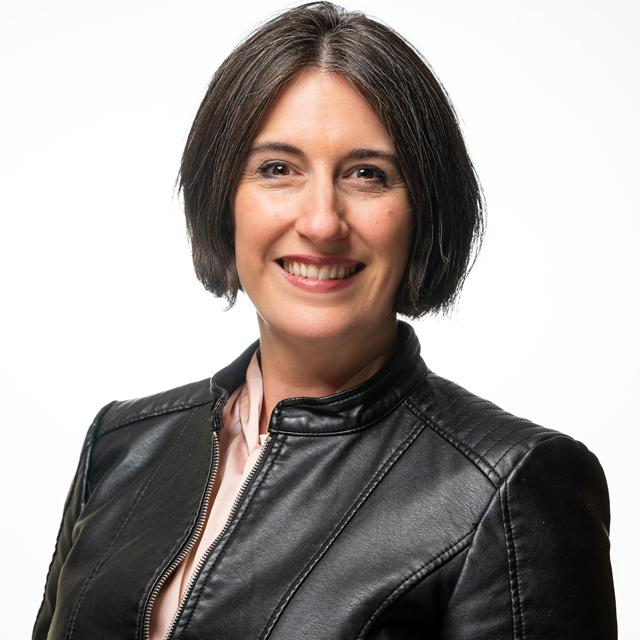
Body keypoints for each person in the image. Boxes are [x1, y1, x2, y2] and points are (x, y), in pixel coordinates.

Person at [32, 2, 617, 638]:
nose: (320, 221)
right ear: (223, 198)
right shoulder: (122, 445)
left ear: (425, 210)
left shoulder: (513, 485)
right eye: (277, 169)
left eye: (368, 175)